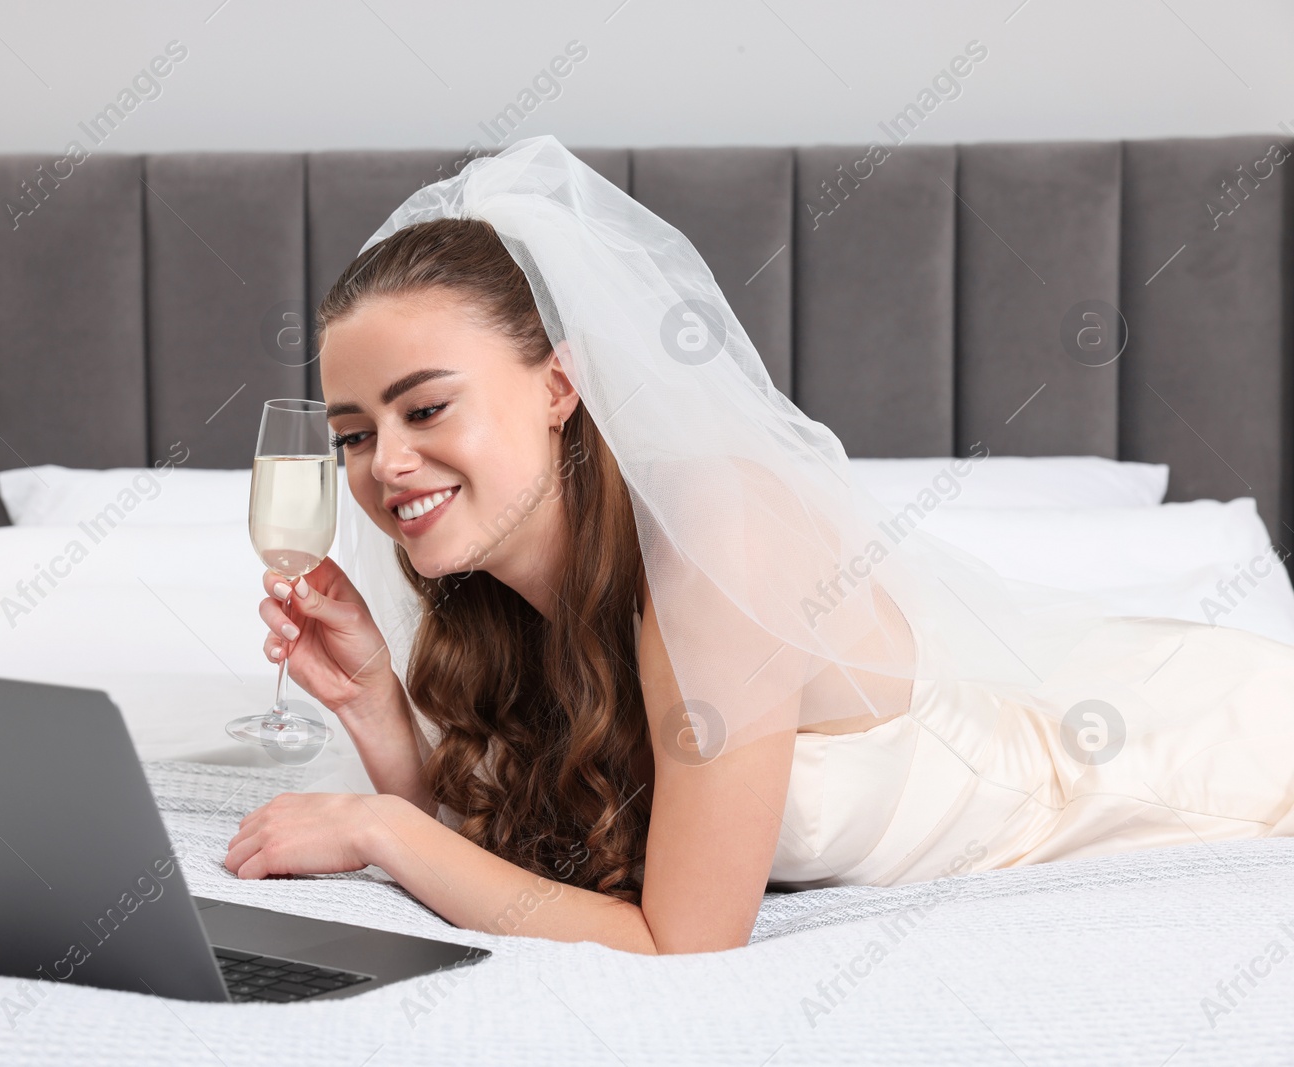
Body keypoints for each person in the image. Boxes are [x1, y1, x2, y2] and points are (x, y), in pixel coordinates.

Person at [223, 136, 1294, 955]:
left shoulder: (717, 543)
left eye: (426, 409)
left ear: (559, 384)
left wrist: (378, 832)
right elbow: (513, 855)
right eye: (354, 434)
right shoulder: (502, 598)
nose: (385, 465)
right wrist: (373, 702)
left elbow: (680, 940)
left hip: (1189, 765)